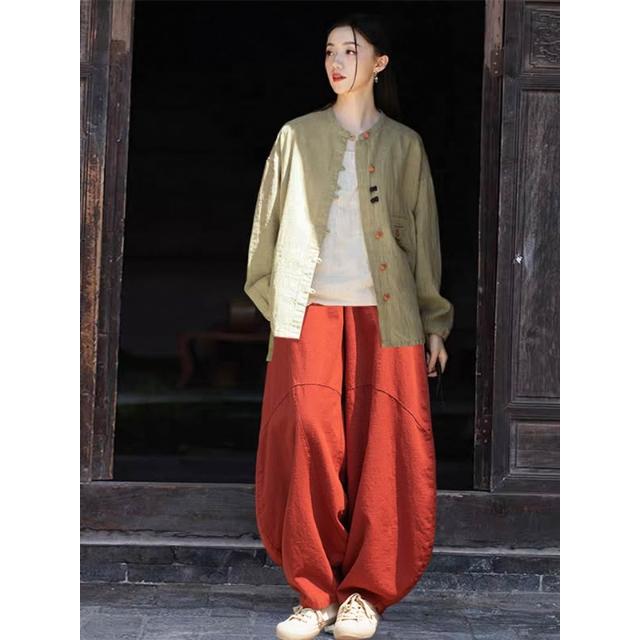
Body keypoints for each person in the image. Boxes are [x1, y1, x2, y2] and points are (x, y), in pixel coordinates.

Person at [244, 12, 454, 640]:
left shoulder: (405, 145)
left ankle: (364, 594)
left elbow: (423, 241)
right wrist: (279, 306)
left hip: (387, 317)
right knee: (307, 437)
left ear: (379, 63)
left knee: (384, 449)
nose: (336, 62)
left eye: (351, 51)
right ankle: (314, 595)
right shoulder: (294, 137)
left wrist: (434, 322)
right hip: (309, 313)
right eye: (330, 51)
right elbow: (265, 232)